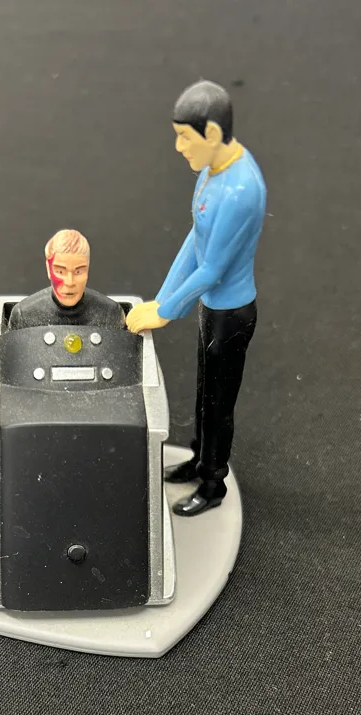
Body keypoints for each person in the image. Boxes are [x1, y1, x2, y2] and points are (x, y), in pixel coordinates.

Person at [127, 80, 267, 516]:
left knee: (219, 405)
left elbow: (212, 269)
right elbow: (196, 239)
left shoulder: (242, 191)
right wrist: (161, 297)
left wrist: (166, 312)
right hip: (210, 309)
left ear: (212, 133)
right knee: (204, 395)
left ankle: (212, 483)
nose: (178, 147)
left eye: (185, 137)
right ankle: (198, 458)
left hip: (230, 315)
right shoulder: (211, 171)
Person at [8, 229, 126, 330]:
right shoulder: (24, 315)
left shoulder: (109, 314)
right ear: (49, 269)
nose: (70, 282)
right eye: (60, 272)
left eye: (78, 272)